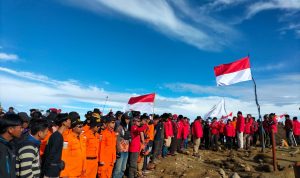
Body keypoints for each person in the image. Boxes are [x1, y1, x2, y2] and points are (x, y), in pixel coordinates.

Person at [42, 113, 71, 178]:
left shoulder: (57, 135)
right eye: (68, 120)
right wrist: (56, 166)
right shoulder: (57, 136)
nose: (70, 121)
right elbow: (51, 155)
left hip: (53, 170)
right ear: (63, 123)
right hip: (51, 172)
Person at [60, 112, 86, 178]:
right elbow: (63, 156)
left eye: (82, 126)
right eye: (79, 126)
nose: (82, 128)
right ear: (73, 128)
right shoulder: (66, 138)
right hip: (71, 174)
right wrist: (64, 173)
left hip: (81, 172)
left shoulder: (82, 137)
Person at [0, 114, 23, 178]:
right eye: (20, 127)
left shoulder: (11, 144)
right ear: (10, 129)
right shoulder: (2, 147)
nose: (22, 130)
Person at [113, 113, 131, 178]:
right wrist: (118, 150)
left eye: (129, 119)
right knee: (118, 168)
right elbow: (117, 139)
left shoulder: (127, 127)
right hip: (120, 150)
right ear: (123, 119)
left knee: (123, 168)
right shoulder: (119, 127)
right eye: (126, 119)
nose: (128, 120)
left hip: (126, 150)